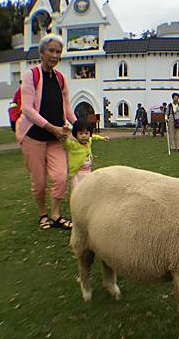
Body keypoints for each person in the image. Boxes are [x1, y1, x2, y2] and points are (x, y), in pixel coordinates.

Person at [15, 34, 76, 230]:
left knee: (60, 177)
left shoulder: (60, 78)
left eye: (58, 52)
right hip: (33, 138)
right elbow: (27, 109)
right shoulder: (30, 75)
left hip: (56, 138)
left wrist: (79, 125)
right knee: (39, 182)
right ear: (42, 53)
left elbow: (66, 108)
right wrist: (52, 127)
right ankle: (43, 215)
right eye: (51, 51)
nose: (55, 55)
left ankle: (56, 215)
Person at [63, 119, 109, 190]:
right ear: (76, 134)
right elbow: (65, 142)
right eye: (80, 133)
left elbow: (93, 137)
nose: (84, 136)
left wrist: (102, 138)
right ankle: (76, 201)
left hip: (88, 172)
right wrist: (64, 133)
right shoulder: (73, 145)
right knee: (77, 190)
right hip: (77, 173)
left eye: (86, 133)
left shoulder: (88, 141)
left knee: (87, 189)